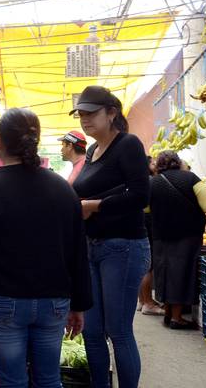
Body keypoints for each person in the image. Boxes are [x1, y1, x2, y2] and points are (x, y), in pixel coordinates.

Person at [0, 108, 92, 387]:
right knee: (49, 379)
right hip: (54, 302)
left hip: (3, 302)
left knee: (12, 381)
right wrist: (80, 304)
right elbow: (78, 251)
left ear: (0, 142)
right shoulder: (63, 190)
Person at [70, 86, 151, 388]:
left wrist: (95, 206)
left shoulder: (128, 144)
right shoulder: (92, 151)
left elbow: (140, 194)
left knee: (118, 330)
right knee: (91, 331)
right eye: (80, 114)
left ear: (112, 113)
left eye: (90, 113)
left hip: (124, 247)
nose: (84, 119)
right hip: (91, 248)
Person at [150, 150, 206, 329]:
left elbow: (144, 209)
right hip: (187, 235)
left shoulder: (153, 182)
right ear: (178, 161)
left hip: (160, 235)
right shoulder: (190, 178)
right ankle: (177, 317)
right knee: (182, 272)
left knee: (164, 271)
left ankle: (167, 312)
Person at [138, 156, 163, 316]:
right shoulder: (149, 181)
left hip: (141, 220)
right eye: (153, 162)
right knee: (149, 264)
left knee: (143, 264)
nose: (155, 165)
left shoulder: (139, 179)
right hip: (148, 221)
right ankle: (148, 303)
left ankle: (142, 301)